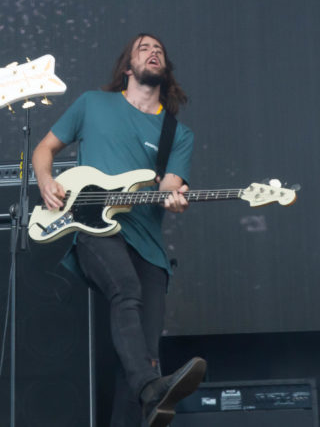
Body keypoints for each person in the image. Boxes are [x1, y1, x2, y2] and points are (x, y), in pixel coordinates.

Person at [32, 34, 205, 427]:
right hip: (95, 229)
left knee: (144, 357)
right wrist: (45, 181)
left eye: (159, 49)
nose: (154, 51)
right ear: (128, 68)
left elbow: (167, 188)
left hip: (149, 248)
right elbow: (44, 149)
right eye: (143, 48)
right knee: (125, 291)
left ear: (166, 69)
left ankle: (147, 391)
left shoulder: (176, 133)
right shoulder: (93, 104)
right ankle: (150, 388)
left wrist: (174, 197)